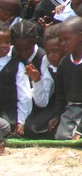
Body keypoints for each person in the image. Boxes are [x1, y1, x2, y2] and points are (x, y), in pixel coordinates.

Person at [24, 25, 64, 138]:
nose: (51, 56)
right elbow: (43, 101)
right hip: (55, 105)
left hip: (73, 106)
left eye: (55, 51)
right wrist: (37, 81)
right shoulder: (47, 62)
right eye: (48, 52)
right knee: (30, 127)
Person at [0, 20, 32, 150]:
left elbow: (24, 95)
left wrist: (21, 121)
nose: (3, 46)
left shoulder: (17, 65)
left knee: (6, 126)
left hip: (8, 113)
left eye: (7, 42)